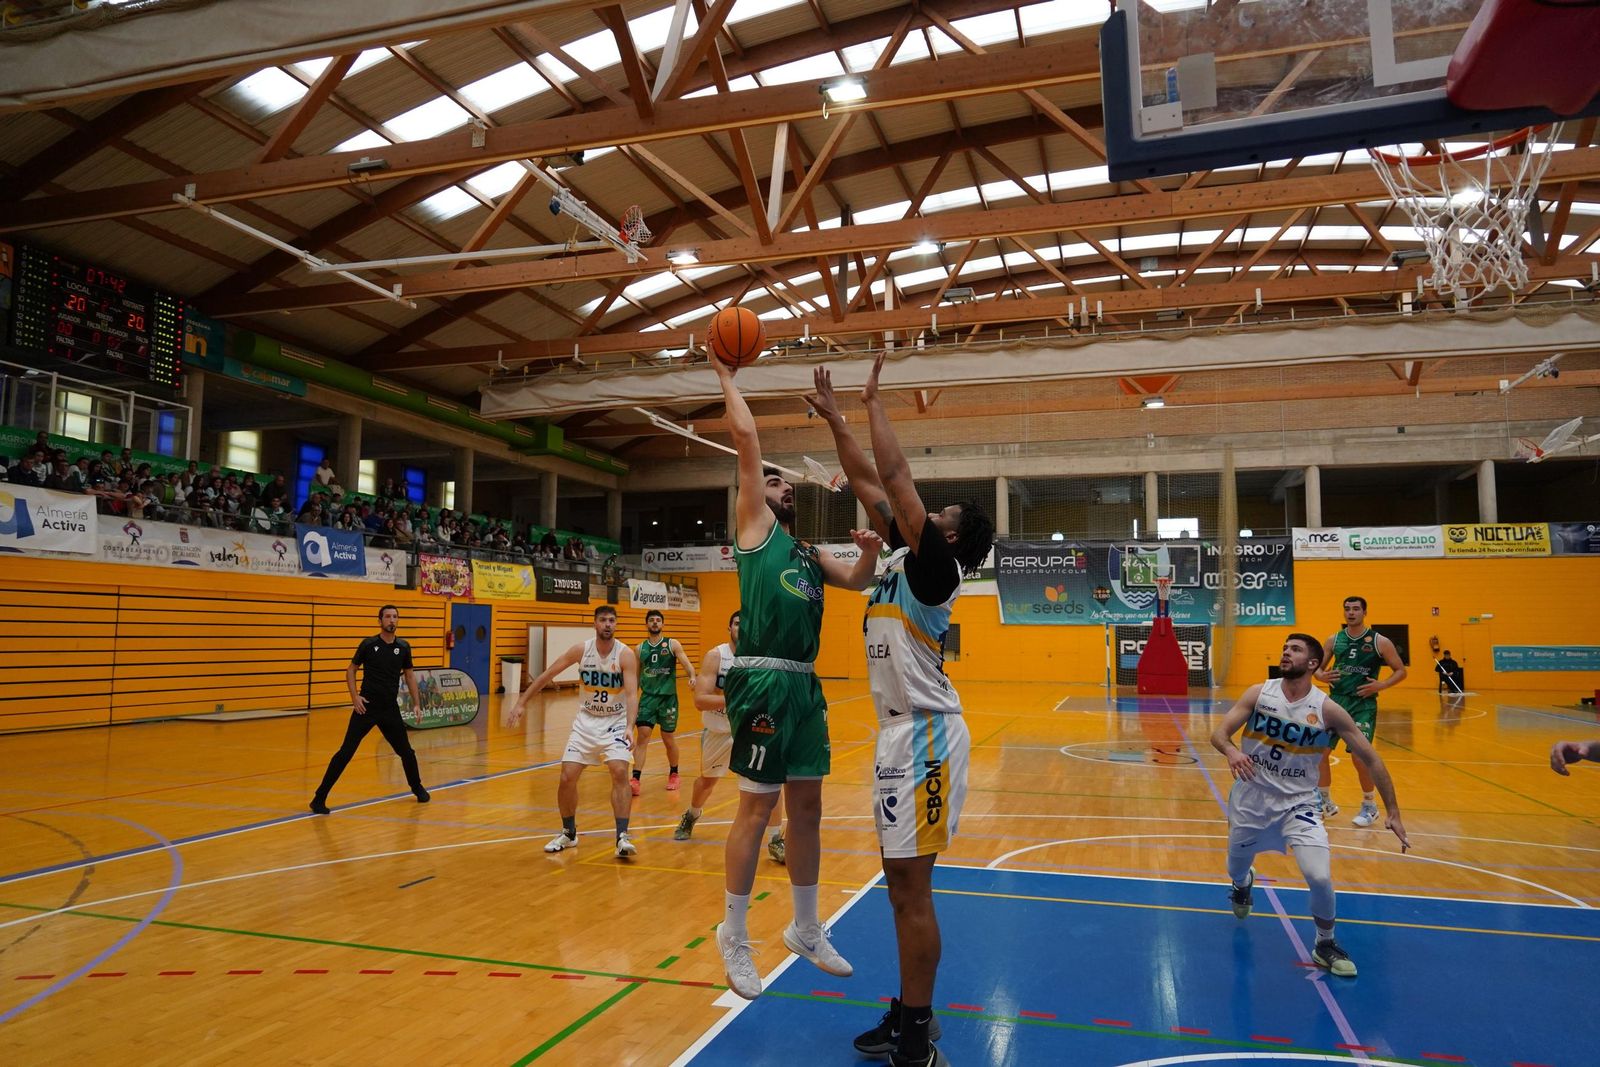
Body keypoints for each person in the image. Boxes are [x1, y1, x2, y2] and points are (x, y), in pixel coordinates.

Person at [810, 355, 994, 1067]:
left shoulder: (938, 567)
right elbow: (865, 481)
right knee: (901, 890)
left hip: (924, 738)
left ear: (949, 536)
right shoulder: (904, 558)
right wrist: (834, 421)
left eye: (938, 513)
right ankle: (912, 1013)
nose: (928, 509)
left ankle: (915, 1036)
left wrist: (872, 402)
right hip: (898, 739)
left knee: (911, 892)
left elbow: (893, 478)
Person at [708, 349, 883, 1000]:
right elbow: (747, 438)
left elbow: (860, 583)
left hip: (804, 685)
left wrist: (866, 554)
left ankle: (806, 926)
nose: (781, 484)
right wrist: (727, 376)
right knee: (757, 809)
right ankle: (734, 932)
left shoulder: (808, 555)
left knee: (805, 807)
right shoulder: (756, 529)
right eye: (774, 480)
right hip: (760, 680)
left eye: (784, 482)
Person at [1212, 633, 1408, 978]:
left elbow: (1372, 760)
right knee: (1234, 867)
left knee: (1319, 876)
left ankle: (1325, 943)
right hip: (1252, 798)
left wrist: (1392, 811)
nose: (1286, 653)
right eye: (1285, 648)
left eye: (1295, 650)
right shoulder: (1260, 693)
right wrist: (1232, 751)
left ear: (1313, 663)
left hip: (1299, 803)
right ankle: (1242, 884)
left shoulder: (1326, 709)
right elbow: (1219, 734)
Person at [508, 604, 641, 859]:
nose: (608, 624)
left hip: (615, 721)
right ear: (595, 623)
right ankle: (569, 833)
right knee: (567, 776)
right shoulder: (582, 649)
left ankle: (622, 836)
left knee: (620, 770)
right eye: (603, 620)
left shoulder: (625, 655)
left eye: (612, 620)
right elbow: (548, 674)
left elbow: (633, 694)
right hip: (586, 721)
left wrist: (629, 726)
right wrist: (521, 702)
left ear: (616, 624)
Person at [673, 610, 788, 865]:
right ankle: (692, 814)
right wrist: (740, 701)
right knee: (707, 783)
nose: (741, 627)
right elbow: (700, 700)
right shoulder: (717, 656)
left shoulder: (760, 658)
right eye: (737, 623)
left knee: (769, 783)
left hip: (751, 732)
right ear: (729, 628)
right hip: (719, 731)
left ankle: (775, 839)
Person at [310, 605, 430, 813]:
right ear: (380, 621)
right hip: (366, 708)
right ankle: (319, 798)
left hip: (389, 709)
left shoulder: (403, 647)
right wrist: (355, 697)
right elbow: (351, 670)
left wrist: (417, 703)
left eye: (395, 617)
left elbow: (410, 675)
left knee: (406, 752)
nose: (391, 620)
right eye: (387, 617)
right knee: (345, 753)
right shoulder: (368, 644)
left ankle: (417, 787)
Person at [1313, 596, 1407, 825]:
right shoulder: (1334, 640)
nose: (1351, 613)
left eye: (1356, 609)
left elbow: (1400, 670)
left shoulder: (1379, 641)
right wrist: (1320, 675)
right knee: (1319, 752)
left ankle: (1369, 805)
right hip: (1336, 702)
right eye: (1347, 609)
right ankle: (1324, 801)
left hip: (1363, 705)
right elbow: (1316, 668)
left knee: (1360, 756)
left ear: (1365, 612)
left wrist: (1381, 685)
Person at [631, 608, 698, 796]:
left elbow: (686, 663)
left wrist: (692, 676)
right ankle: (635, 779)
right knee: (642, 736)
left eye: (658, 620)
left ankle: (674, 773)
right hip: (647, 698)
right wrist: (631, 698)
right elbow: (636, 676)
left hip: (668, 699)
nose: (654, 622)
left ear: (662, 624)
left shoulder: (672, 644)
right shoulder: (639, 648)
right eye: (651, 620)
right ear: (646, 624)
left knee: (668, 738)